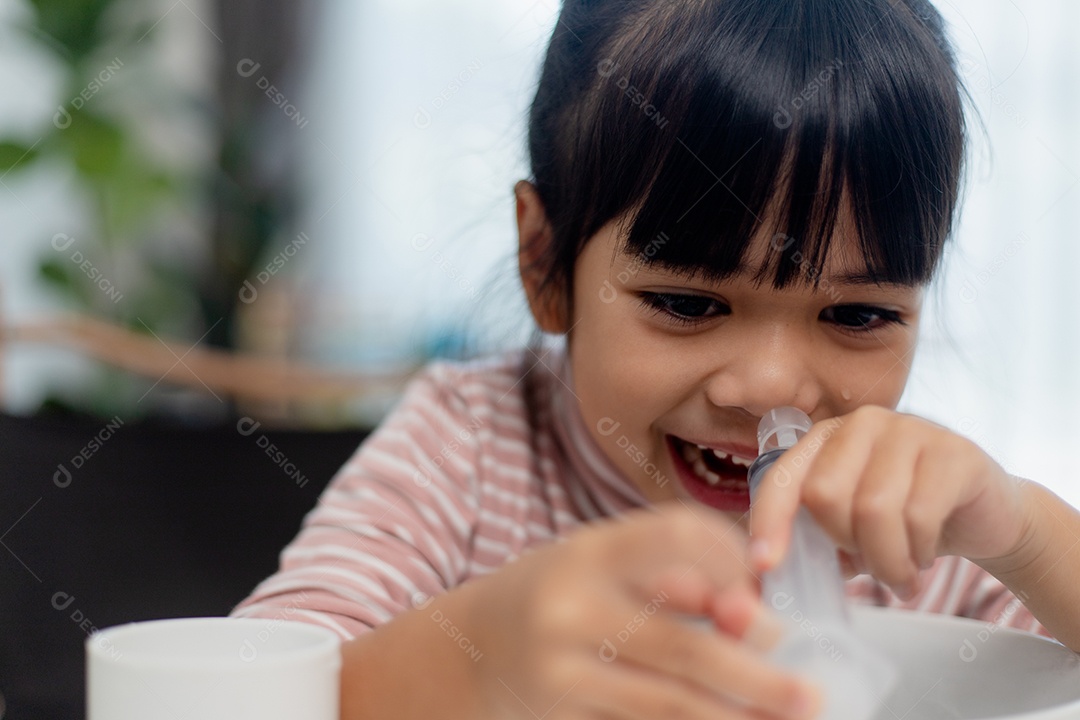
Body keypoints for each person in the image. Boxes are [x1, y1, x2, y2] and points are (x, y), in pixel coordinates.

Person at [233, 1, 1080, 718]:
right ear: (545, 264)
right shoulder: (468, 449)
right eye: (687, 304)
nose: (771, 387)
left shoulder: (903, 518)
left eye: (858, 314)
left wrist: (1024, 533)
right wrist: (469, 658)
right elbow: (234, 694)